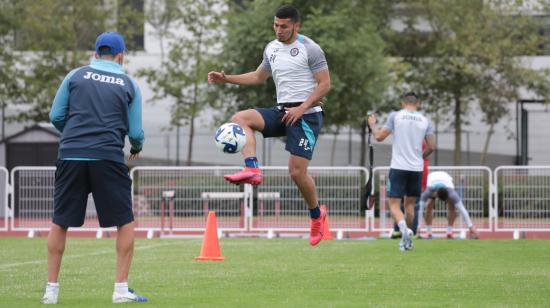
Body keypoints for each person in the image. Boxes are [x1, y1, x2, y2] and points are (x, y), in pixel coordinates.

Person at [208, 5, 331, 246]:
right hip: (283, 110)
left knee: (296, 172)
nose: (278, 30)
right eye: (276, 25)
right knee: (240, 118)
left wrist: (301, 108)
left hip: (307, 115)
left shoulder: (311, 49)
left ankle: (317, 215)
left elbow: (325, 84)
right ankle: (252, 169)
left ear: (297, 25)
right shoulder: (272, 48)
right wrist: (227, 79)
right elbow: (257, 76)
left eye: (284, 26)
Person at [42, 32, 147, 304]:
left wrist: (74, 134)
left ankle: (50, 292)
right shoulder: (128, 83)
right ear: (121, 55)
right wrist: (136, 147)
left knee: (60, 221)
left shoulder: (74, 76)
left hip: (71, 155)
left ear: (96, 53)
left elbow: (55, 116)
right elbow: (135, 132)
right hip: (108, 157)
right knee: (125, 222)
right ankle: (121, 290)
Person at [368, 92, 435, 251]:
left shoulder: (395, 116)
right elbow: (432, 147)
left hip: (398, 167)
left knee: (394, 205)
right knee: (410, 205)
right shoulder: (425, 121)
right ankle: (408, 239)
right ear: (418, 103)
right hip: (416, 168)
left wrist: (372, 124)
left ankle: (403, 230)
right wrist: (420, 158)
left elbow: (378, 137)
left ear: (402, 103)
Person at [419, 171, 480, 239]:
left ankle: (449, 231)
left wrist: (471, 226)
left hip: (446, 180)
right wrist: (418, 227)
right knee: (429, 206)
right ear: (435, 194)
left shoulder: (451, 191)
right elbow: (420, 208)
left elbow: (462, 209)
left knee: (452, 205)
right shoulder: (428, 190)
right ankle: (428, 232)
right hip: (431, 179)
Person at [391, 141, 429, 239]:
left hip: (400, 171)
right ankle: (411, 232)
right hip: (415, 174)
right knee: (412, 206)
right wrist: (424, 184)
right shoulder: (421, 155)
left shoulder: (405, 146)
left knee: (397, 204)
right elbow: (424, 167)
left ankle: (397, 230)